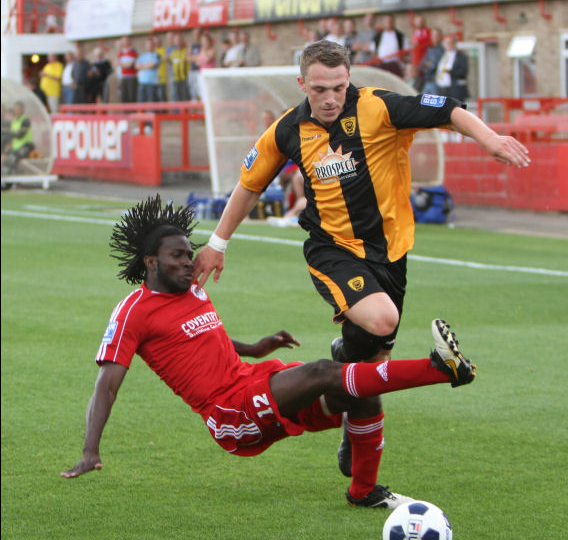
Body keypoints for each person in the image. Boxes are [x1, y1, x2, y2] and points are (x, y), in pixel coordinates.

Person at [191, 40, 530, 490]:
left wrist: (490, 139)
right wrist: (217, 243)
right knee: (382, 319)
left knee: (371, 366)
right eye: (319, 89)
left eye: (337, 87)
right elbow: (249, 186)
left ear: (349, 79)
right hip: (331, 250)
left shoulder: (380, 109)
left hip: (391, 252)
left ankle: (350, 409)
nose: (329, 98)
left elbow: (448, 109)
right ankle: (354, 391)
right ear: (302, 84)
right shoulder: (287, 130)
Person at [60, 194, 477, 510]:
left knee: (358, 386)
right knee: (323, 371)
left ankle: (363, 490)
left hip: (253, 383)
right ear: (151, 262)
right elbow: (107, 384)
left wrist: (256, 347)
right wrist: (90, 450)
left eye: (190, 254)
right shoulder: (133, 311)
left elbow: (202, 340)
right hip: (229, 413)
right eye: (178, 257)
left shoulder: (193, 291)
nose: (190, 262)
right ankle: (441, 370)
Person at [1, 101, 35, 174]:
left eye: (18, 109)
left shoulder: (25, 120)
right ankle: (9, 174)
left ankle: (17, 172)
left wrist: (11, 133)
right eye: (15, 108)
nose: (16, 110)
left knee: (12, 159)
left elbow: (20, 135)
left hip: (25, 146)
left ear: (22, 109)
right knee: (4, 157)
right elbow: (10, 136)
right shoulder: (14, 121)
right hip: (16, 148)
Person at [435, 34, 470, 103]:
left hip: (454, 89)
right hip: (441, 89)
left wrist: (450, 72)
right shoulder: (442, 55)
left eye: (449, 43)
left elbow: (464, 71)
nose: (447, 45)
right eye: (446, 43)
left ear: (454, 44)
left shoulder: (460, 56)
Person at [420, 28, 444, 95]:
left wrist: (428, 65)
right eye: (433, 35)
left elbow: (435, 66)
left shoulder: (442, 50)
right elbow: (421, 65)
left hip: (436, 82)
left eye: (437, 35)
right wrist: (428, 64)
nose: (435, 37)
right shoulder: (429, 49)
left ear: (441, 37)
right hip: (427, 81)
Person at [411, 14, 432, 90]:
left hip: (425, 60)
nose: (419, 23)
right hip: (417, 61)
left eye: (421, 21)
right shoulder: (415, 32)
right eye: (417, 21)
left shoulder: (428, 32)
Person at [136, 37, 160, 103]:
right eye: (147, 44)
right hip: (142, 83)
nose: (149, 46)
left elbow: (153, 64)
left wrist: (142, 66)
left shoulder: (156, 55)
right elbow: (137, 66)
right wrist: (147, 66)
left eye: (150, 44)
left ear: (153, 45)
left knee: (152, 103)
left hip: (152, 83)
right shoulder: (142, 56)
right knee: (141, 103)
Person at [168, 32, 189, 101]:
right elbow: (169, 61)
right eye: (176, 40)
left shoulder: (186, 50)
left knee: (185, 98)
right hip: (176, 79)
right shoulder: (173, 52)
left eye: (179, 39)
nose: (178, 41)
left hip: (185, 79)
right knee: (176, 98)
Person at [117, 36, 138, 103]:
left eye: (126, 40)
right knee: (123, 97)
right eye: (123, 41)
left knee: (132, 97)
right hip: (123, 77)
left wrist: (121, 64)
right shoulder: (120, 53)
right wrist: (124, 64)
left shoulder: (133, 52)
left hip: (132, 78)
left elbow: (130, 65)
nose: (124, 42)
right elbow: (116, 63)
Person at [187, 28, 202, 101]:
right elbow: (188, 58)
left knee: (200, 91)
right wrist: (197, 58)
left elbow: (203, 57)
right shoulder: (191, 45)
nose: (196, 36)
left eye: (198, 34)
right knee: (193, 92)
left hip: (200, 71)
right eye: (195, 34)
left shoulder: (202, 45)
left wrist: (193, 58)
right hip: (192, 70)